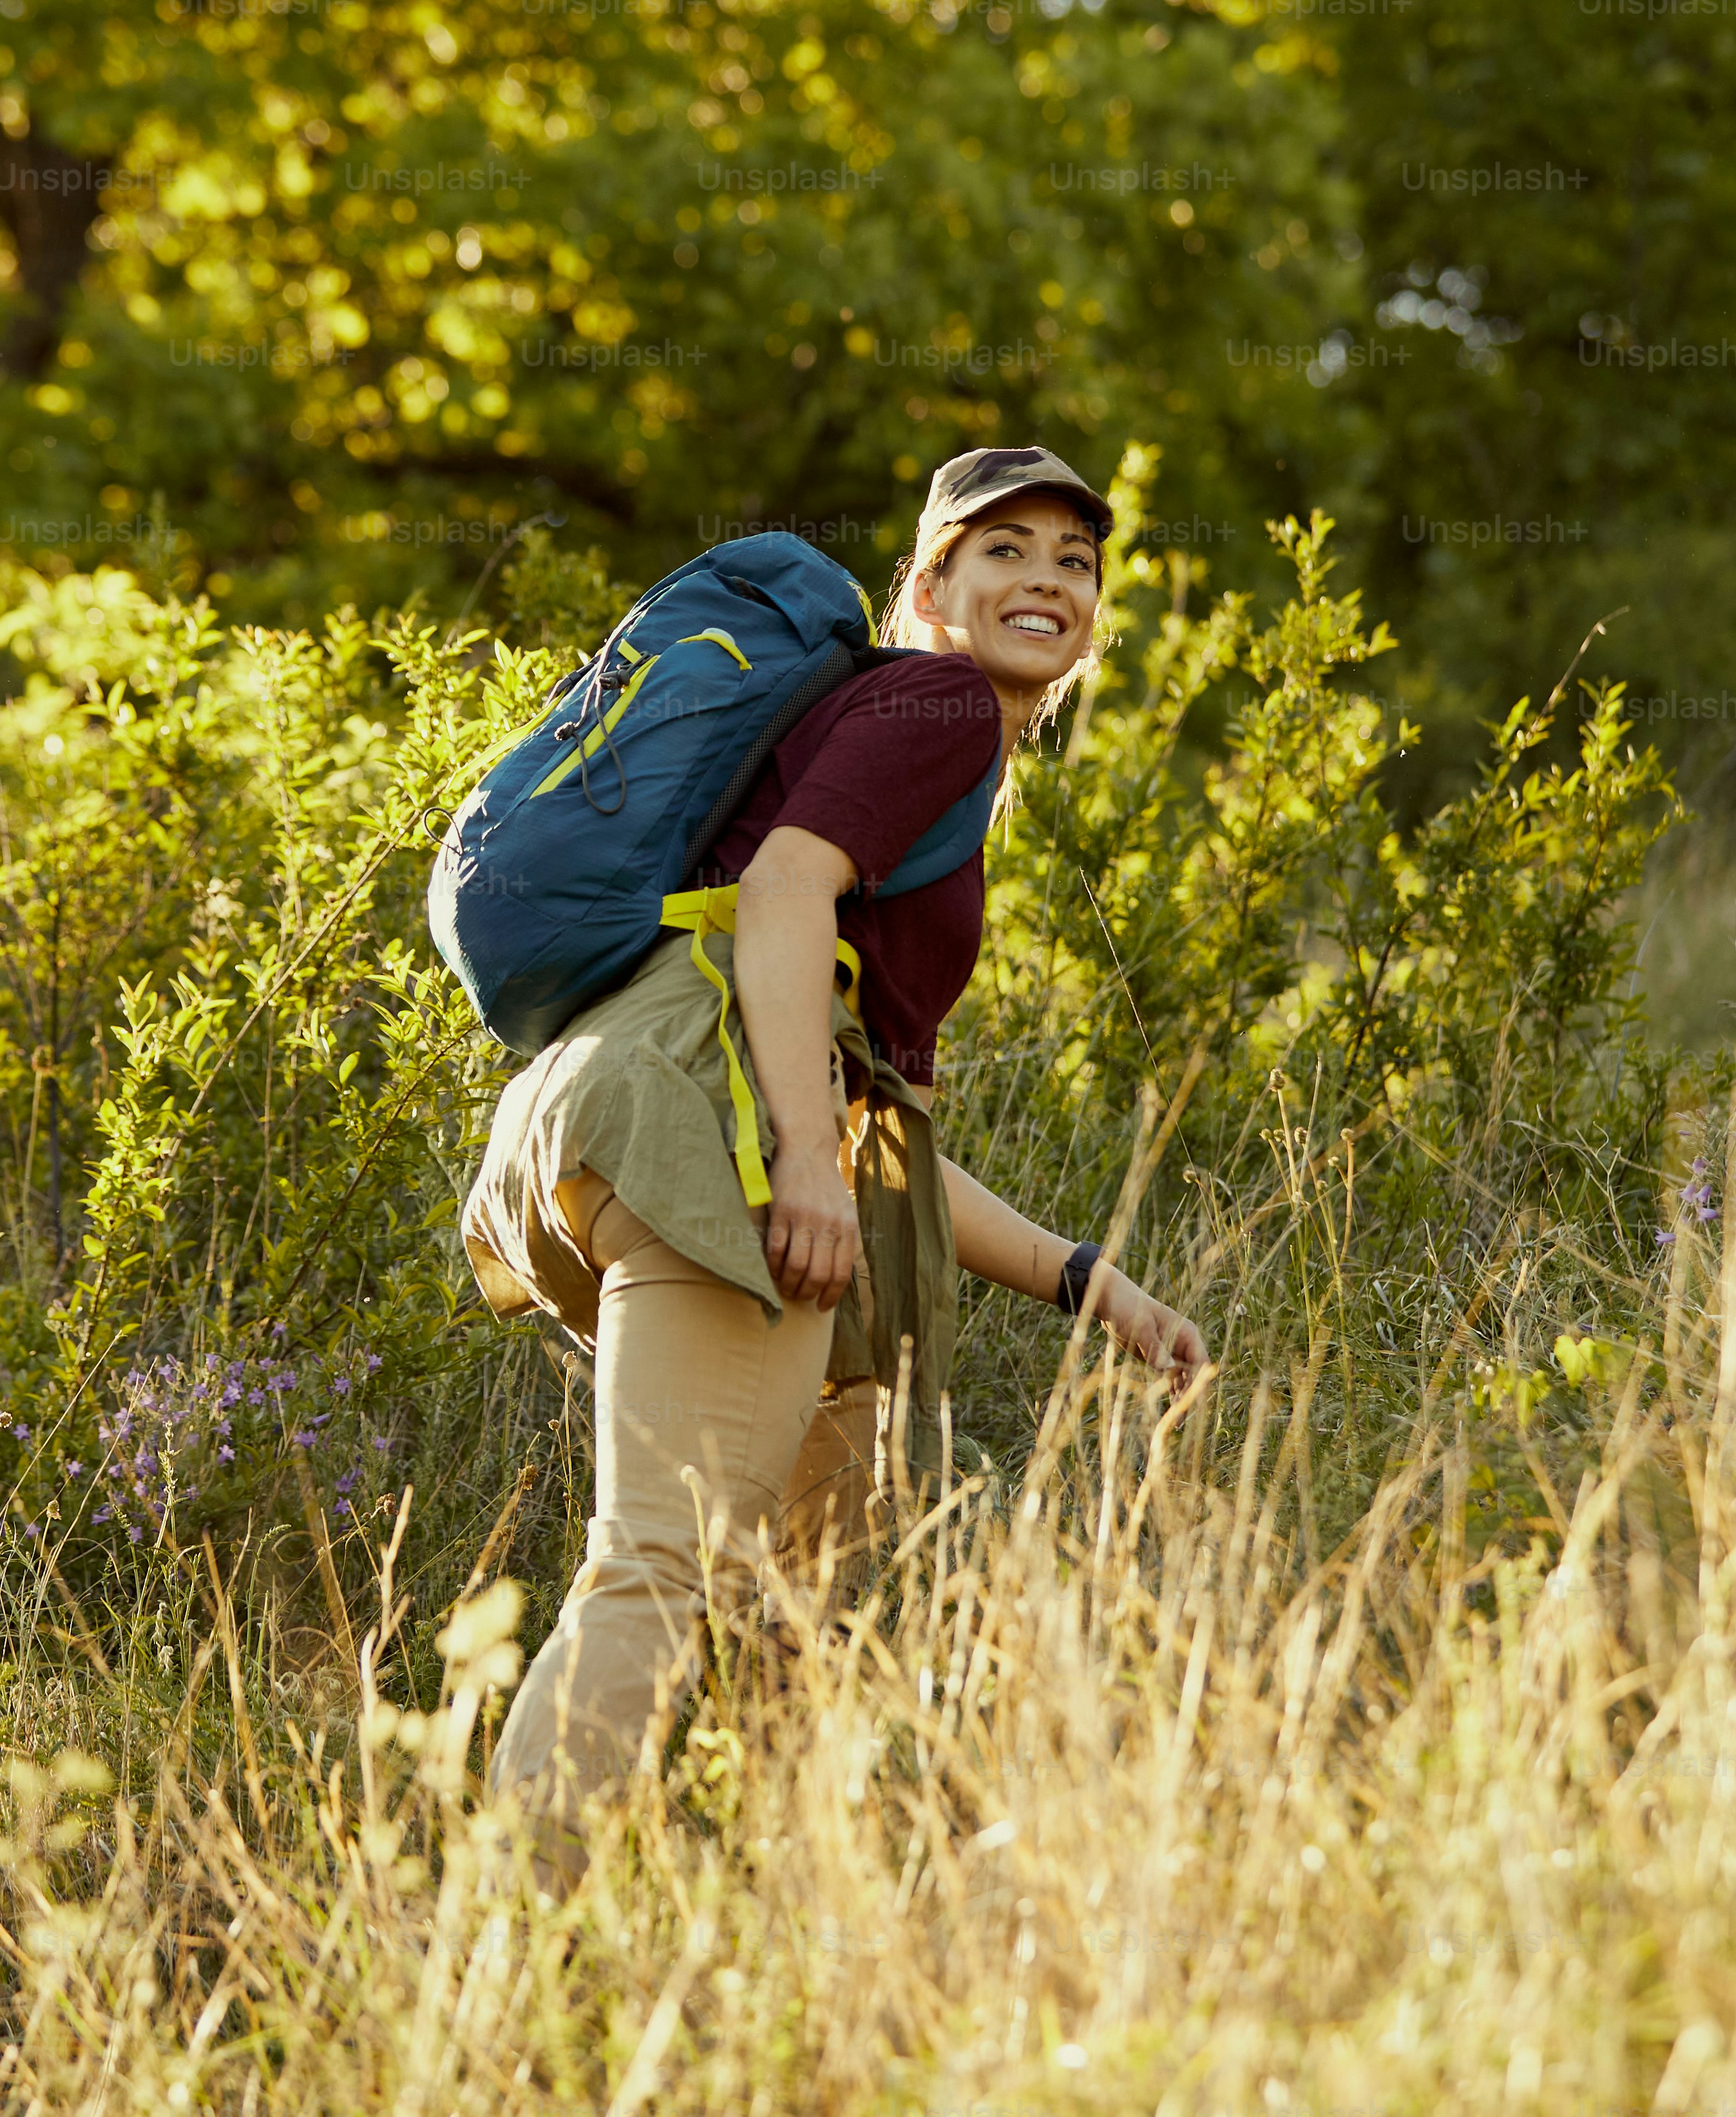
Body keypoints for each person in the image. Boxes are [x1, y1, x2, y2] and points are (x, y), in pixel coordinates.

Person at [458, 443, 1208, 1890]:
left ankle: (796, 1914)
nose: (1046, 579)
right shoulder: (933, 702)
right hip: (709, 1137)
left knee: (805, 1579)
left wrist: (1087, 1281)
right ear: (926, 587)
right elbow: (787, 889)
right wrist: (801, 1159)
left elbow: (894, 1135)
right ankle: (500, 1940)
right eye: (1003, 551)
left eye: (1075, 561)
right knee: (663, 1565)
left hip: (624, 1115)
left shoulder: (906, 728)